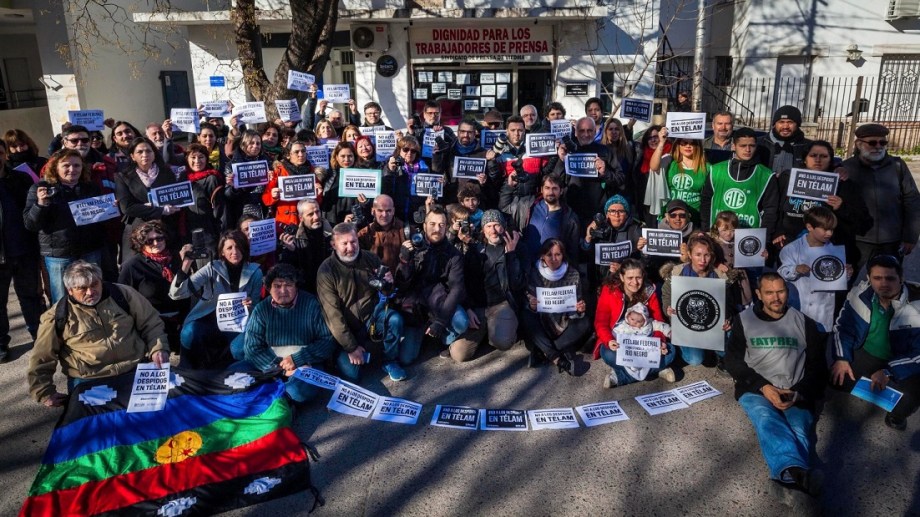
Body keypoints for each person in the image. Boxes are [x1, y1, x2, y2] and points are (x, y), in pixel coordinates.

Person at [724, 273, 826, 496]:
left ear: (787, 292)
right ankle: (799, 475)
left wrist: (799, 392)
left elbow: (818, 367)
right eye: (769, 293)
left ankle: (789, 477)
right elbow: (732, 361)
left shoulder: (805, 323)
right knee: (766, 418)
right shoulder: (744, 320)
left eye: (780, 291)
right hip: (756, 389)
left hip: (795, 389)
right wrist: (763, 386)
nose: (776, 297)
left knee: (798, 428)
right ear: (759, 294)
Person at [27, 261, 169, 406]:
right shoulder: (57, 315)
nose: (90, 292)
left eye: (94, 284)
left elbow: (151, 322)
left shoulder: (123, 294)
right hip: (90, 379)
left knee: (161, 414)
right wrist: (44, 392)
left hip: (134, 368)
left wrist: (158, 348)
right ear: (70, 290)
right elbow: (42, 355)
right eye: (82, 288)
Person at [831, 254, 920, 430]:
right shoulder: (859, 294)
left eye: (890, 278)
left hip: (902, 360)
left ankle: (896, 416)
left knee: (908, 399)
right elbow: (843, 328)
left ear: (901, 278)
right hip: (868, 354)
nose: (883, 283)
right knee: (837, 378)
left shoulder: (918, 304)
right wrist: (842, 358)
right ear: (868, 278)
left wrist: (888, 372)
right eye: (877, 278)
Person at [317, 223, 407, 381]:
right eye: (344, 243)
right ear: (333, 245)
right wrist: (351, 347)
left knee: (395, 320)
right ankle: (347, 353)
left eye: (353, 242)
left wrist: (388, 283)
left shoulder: (370, 258)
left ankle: (389, 360)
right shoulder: (326, 271)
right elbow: (332, 315)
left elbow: (386, 292)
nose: (350, 248)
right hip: (346, 326)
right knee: (352, 374)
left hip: (370, 318)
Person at [241, 264, 338, 403]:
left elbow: (327, 341)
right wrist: (280, 368)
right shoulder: (261, 309)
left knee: (298, 390)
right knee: (234, 376)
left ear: (296, 286)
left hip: (305, 363)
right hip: (271, 364)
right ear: (268, 288)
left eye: (288, 285)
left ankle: (276, 400)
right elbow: (252, 348)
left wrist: (297, 359)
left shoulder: (311, 304)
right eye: (277, 286)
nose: (283, 291)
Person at [169, 230, 262, 369]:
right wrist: (186, 263)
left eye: (238, 247)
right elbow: (177, 293)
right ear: (222, 252)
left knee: (238, 349)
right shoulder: (212, 267)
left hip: (238, 324)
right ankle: (188, 370)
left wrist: (250, 305)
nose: (235, 252)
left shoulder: (255, 272)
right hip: (209, 321)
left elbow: (256, 307)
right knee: (189, 332)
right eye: (229, 248)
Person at [25, 150, 107, 303]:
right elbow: (31, 224)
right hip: (59, 254)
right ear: (55, 167)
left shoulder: (90, 187)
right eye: (66, 165)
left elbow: (99, 220)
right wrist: (40, 204)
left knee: (93, 295)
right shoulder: (41, 188)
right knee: (62, 299)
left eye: (77, 165)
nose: (72, 169)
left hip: (89, 250)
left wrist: (108, 208)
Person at [774, 140, 870, 268]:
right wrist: (778, 231)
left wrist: (841, 207)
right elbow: (774, 207)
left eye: (824, 156)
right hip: (791, 248)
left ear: (831, 160)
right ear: (804, 159)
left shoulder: (843, 184)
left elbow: (864, 222)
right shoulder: (788, 178)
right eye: (813, 155)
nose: (818, 160)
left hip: (828, 252)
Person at [839, 123, 920, 273]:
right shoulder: (846, 168)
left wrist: (910, 236)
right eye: (872, 143)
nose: (878, 146)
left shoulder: (897, 166)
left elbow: (912, 200)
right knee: (845, 281)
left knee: (887, 281)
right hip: (857, 240)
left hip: (891, 241)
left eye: (882, 142)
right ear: (858, 144)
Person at [395, 205, 468, 365]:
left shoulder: (453, 254)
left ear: (447, 227)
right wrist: (404, 261)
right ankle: (424, 334)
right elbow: (401, 285)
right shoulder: (413, 246)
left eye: (441, 225)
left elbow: (456, 289)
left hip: (440, 303)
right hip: (417, 308)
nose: (437, 229)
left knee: (462, 322)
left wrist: (441, 321)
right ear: (424, 226)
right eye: (432, 224)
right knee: (406, 358)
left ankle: (443, 337)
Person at [449, 210, 523, 362]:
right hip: (478, 307)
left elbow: (517, 283)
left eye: (497, 225)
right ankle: (486, 331)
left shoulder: (513, 246)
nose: (493, 230)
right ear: (483, 229)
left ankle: (499, 330)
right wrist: (468, 308)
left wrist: (511, 255)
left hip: (502, 304)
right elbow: (464, 282)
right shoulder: (475, 249)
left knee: (503, 342)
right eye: (489, 226)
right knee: (459, 355)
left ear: (503, 227)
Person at [594, 258, 676, 387]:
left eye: (638, 277)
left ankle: (620, 377)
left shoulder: (649, 291)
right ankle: (658, 369)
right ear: (622, 277)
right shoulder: (609, 290)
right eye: (630, 278)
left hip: (646, 340)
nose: (635, 282)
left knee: (671, 351)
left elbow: (658, 321)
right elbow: (601, 323)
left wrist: (660, 342)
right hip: (620, 341)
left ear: (643, 276)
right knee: (607, 354)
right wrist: (609, 340)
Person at [662, 233, 741, 366]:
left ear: (712, 256)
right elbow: (666, 293)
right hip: (686, 327)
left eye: (707, 255)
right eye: (698, 255)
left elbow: (728, 302)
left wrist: (728, 319)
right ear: (689, 254)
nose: (702, 260)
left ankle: (718, 355)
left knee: (726, 350)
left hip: (712, 326)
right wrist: (668, 308)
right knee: (695, 359)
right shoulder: (677, 273)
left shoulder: (719, 275)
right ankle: (683, 348)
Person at [0, 140, 43, 359]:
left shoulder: (21, 178)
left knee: (31, 297)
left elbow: (32, 211)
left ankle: (39, 336)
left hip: (25, 249)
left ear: (5, 154)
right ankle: (1, 343)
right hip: (1, 255)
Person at [118, 220, 188, 352]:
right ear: (141, 243)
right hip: (152, 323)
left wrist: (186, 264)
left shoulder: (178, 257)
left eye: (159, 238)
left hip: (182, 318)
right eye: (149, 241)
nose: (156, 243)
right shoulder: (132, 266)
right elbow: (123, 299)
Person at [522, 238, 589, 375]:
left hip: (565, 321)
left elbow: (577, 303)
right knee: (526, 316)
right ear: (542, 256)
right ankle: (557, 358)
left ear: (563, 255)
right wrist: (532, 306)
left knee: (585, 322)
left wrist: (579, 308)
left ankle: (543, 351)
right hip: (543, 322)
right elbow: (529, 300)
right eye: (549, 255)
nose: (554, 259)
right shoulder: (534, 273)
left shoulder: (573, 274)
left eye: (558, 254)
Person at [778, 207, 848, 332]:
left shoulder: (834, 251)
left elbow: (837, 282)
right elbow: (782, 273)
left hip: (823, 313)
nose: (829, 233)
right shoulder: (791, 249)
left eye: (831, 229)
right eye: (825, 229)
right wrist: (796, 269)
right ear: (810, 227)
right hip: (799, 309)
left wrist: (846, 274)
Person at [115, 137, 183, 263]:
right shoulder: (123, 177)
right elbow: (127, 208)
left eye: (148, 151)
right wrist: (160, 210)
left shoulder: (167, 173)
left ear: (154, 153)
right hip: (137, 230)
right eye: (139, 152)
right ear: (132, 156)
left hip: (164, 230)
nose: (145, 154)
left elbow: (175, 197)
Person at [701, 127, 779, 234]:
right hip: (718, 235)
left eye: (752, 146)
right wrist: (706, 230)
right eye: (743, 146)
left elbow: (770, 212)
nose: (748, 150)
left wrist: (765, 239)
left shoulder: (766, 175)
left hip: (749, 236)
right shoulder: (716, 170)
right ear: (733, 146)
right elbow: (706, 202)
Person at [491, 116, 559, 231]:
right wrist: (491, 161)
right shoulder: (499, 153)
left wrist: (554, 154)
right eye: (513, 130)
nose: (516, 134)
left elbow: (545, 172)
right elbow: (495, 180)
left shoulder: (535, 148)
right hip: (509, 205)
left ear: (524, 131)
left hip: (532, 203)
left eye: (520, 130)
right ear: (507, 131)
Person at [556, 117, 623, 229]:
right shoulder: (568, 151)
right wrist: (561, 161)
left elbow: (620, 179)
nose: (586, 134)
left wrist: (605, 172)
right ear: (575, 132)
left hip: (597, 213)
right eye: (582, 131)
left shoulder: (605, 151)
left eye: (590, 130)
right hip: (571, 212)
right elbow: (556, 181)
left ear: (595, 132)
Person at [517, 174, 581, 270]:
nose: (550, 192)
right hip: (526, 266)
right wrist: (509, 186)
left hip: (551, 269)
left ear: (561, 191)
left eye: (554, 188)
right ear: (541, 189)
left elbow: (573, 252)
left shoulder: (570, 218)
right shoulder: (529, 206)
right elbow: (505, 207)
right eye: (547, 188)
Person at [581, 194, 645, 289]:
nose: (616, 214)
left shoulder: (635, 230)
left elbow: (643, 263)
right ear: (606, 214)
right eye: (612, 211)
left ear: (627, 214)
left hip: (627, 283)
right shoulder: (598, 228)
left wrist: (624, 267)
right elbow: (585, 255)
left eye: (621, 211)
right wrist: (588, 238)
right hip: (599, 282)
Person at [648, 129, 709, 226]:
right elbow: (654, 167)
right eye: (684, 143)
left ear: (698, 146)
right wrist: (661, 142)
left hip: (694, 217)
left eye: (692, 143)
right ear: (678, 145)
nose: (688, 146)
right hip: (670, 216)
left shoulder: (707, 168)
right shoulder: (670, 161)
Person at [278, 198, 332, 294]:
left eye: (317, 212)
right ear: (301, 218)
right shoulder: (294, 237)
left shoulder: (333, 231)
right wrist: (291, 251)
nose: (316, 217)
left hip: (330, 284)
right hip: (306, 289)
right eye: (310, 214)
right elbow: (289, 270)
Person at [432, 119, 489, 208]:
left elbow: (492, 185)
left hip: (473, 204)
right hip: (452, 202)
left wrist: (483, 182)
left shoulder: (483, 154)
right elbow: (437, 171)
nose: (466, 135)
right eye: (462, 131)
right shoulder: (448, 149)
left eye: (469, 132)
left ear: (475, 133)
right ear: (458, 132)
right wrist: (436, 155)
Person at [224, 129, 271, 228]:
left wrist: (273, 179)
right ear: (243, 144)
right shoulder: (232, 166)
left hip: (265, 210)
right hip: (243, 212)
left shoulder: (268, 163)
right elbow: (228, 195)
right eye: (251, 143)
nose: (255, 146)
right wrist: (234, 187)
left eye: (258, 143)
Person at [263, 140, 313, 230]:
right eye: (296, 152)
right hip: (285, 222)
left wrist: (319, 194)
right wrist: (273, 196)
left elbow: (318, 201)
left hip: (307, 221)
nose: (301, 154)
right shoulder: (278, 171)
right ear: (288, 155)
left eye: (303, 151)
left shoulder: (312, 171)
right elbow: (266, 199)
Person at [383, 135, 431, 225]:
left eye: (413, 151)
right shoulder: (391, 164)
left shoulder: (424, 168)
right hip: (396, 214)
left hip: (416, 216)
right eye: (405, 149)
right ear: (399, 150)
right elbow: (386, 188)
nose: (409, 153)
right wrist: (390, 170)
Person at [182, 143, 224, 245]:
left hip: (207, 235)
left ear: (206, 159)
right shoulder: (182, 180)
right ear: (187, 159)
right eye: (193, 157)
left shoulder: (212, 179)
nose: (197, 161)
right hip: (186, 233)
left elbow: (219, 211)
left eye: (201, 157)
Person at [755, 105, 812, 175]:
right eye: (781, 122)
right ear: (775, 124)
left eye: (790, 122)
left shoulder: (809, 147)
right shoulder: (758, 143)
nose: (785, 126)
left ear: (797, 124)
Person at [357, 194, 405, 271]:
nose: (384, 215)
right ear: (373, 211)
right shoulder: (364, 234)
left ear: (393, 211)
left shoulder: (405, 231)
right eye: (380, 211)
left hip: (399, 278)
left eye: (388, 211)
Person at [635, 125, 671, 226]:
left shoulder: (671, 152)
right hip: (646, 203)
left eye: (656, 137)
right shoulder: (641, 154)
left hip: (663, 199)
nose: (653, 140)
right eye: (649, 138)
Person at [320, 141, 359, 224]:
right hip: (331, 220)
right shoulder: (328, 175)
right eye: (342, 156)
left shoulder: (362, 175)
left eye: (350, 156)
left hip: (353, 220)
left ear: (354, 157)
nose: (346, 159)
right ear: (336, 157)